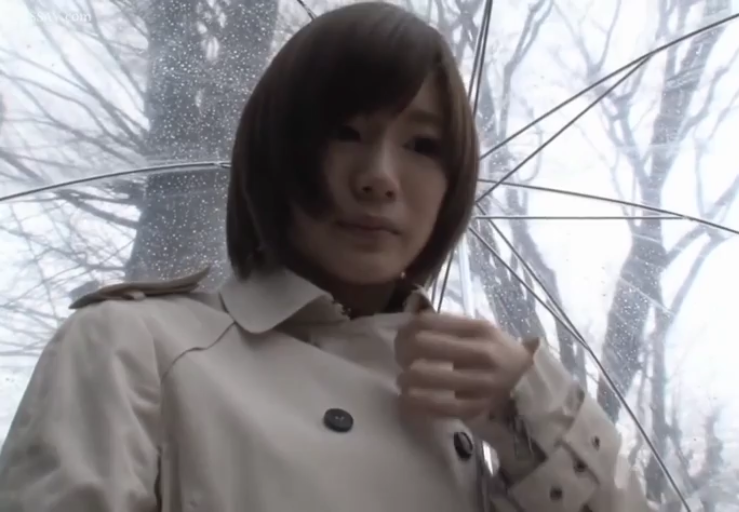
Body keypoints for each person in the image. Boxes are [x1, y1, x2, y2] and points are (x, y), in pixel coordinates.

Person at [0, 3, 653, 511]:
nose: (380, 177)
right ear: (278, 149)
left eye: (423, 146)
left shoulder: (473, 414)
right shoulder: (133, 346)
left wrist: (533, 407)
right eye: (346, 132)